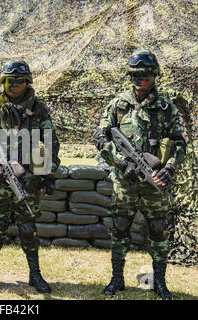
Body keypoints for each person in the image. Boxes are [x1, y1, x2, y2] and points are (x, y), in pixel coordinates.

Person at [93, 49, 186, 300]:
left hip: (154, 180)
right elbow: (100, 137)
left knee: (157, 228)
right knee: (120, 226)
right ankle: (117, 279)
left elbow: (179, 143)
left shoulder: (166, 107)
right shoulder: (118, 104)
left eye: (146, 74)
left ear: (155, 76)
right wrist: (122, 163)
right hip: (125, 181)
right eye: (135, 74)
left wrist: (169, 168)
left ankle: (159, 283)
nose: (141, 79)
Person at [0, 60, 60, 293]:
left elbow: (50, 142)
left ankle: (35, 275)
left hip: (28, 179)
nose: (15, 85)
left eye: (20, 81)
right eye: (10, 81)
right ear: (4, 83)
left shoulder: (39, 109)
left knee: (28, 227)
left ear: (28, 82)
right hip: (0, 179)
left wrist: (48, 174)